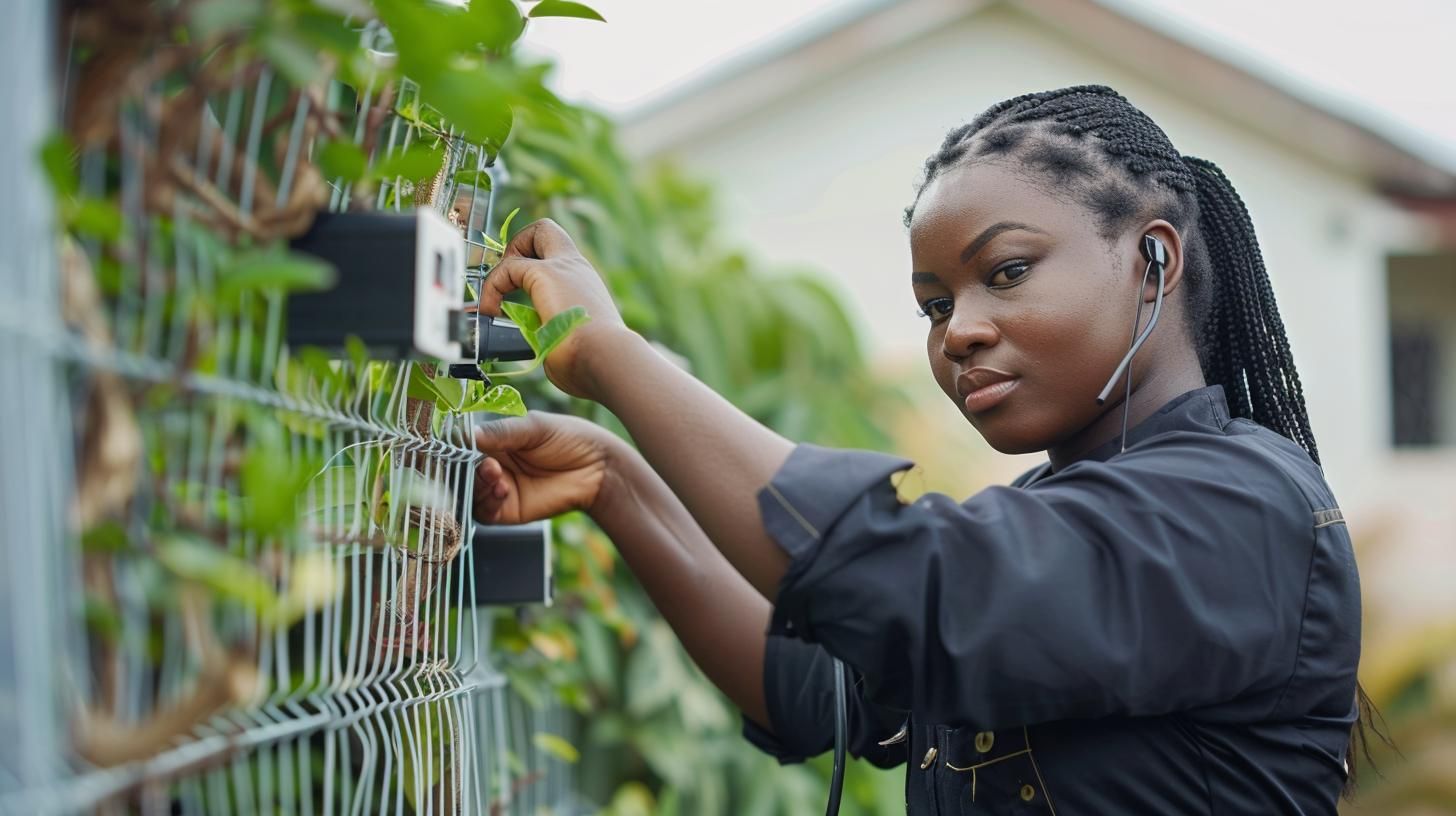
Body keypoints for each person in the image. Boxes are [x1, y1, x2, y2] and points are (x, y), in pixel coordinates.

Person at [468, 85, 1373, 814]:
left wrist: (612, 355)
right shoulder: (1066, 511)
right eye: (936, 305)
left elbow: (907, 588)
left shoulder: (1242, 506)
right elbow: (807, 686)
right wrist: (613, 477)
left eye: (1007, 272)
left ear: (1153, 262)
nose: (960, 333)